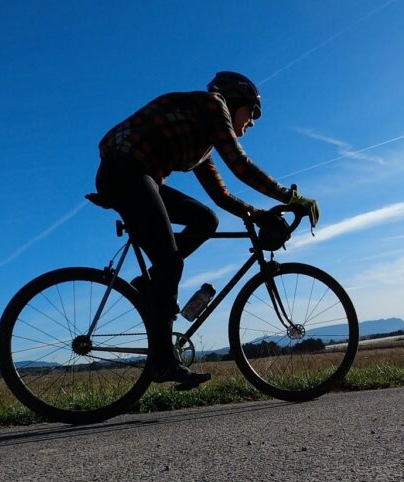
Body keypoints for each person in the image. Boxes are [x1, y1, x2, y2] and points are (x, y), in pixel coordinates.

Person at [94, 71, 320, 389]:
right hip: (125, 173)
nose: (253, 122)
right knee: (171, 263)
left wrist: (254, 214)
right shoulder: (213, 105)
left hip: (137, 176)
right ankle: (162, 362)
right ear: (235, 101)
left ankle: (150, 284)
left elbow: (220, 194)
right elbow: (240, 164)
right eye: (252, 112)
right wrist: (290, 197)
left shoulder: (203, 144)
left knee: (206, 220)